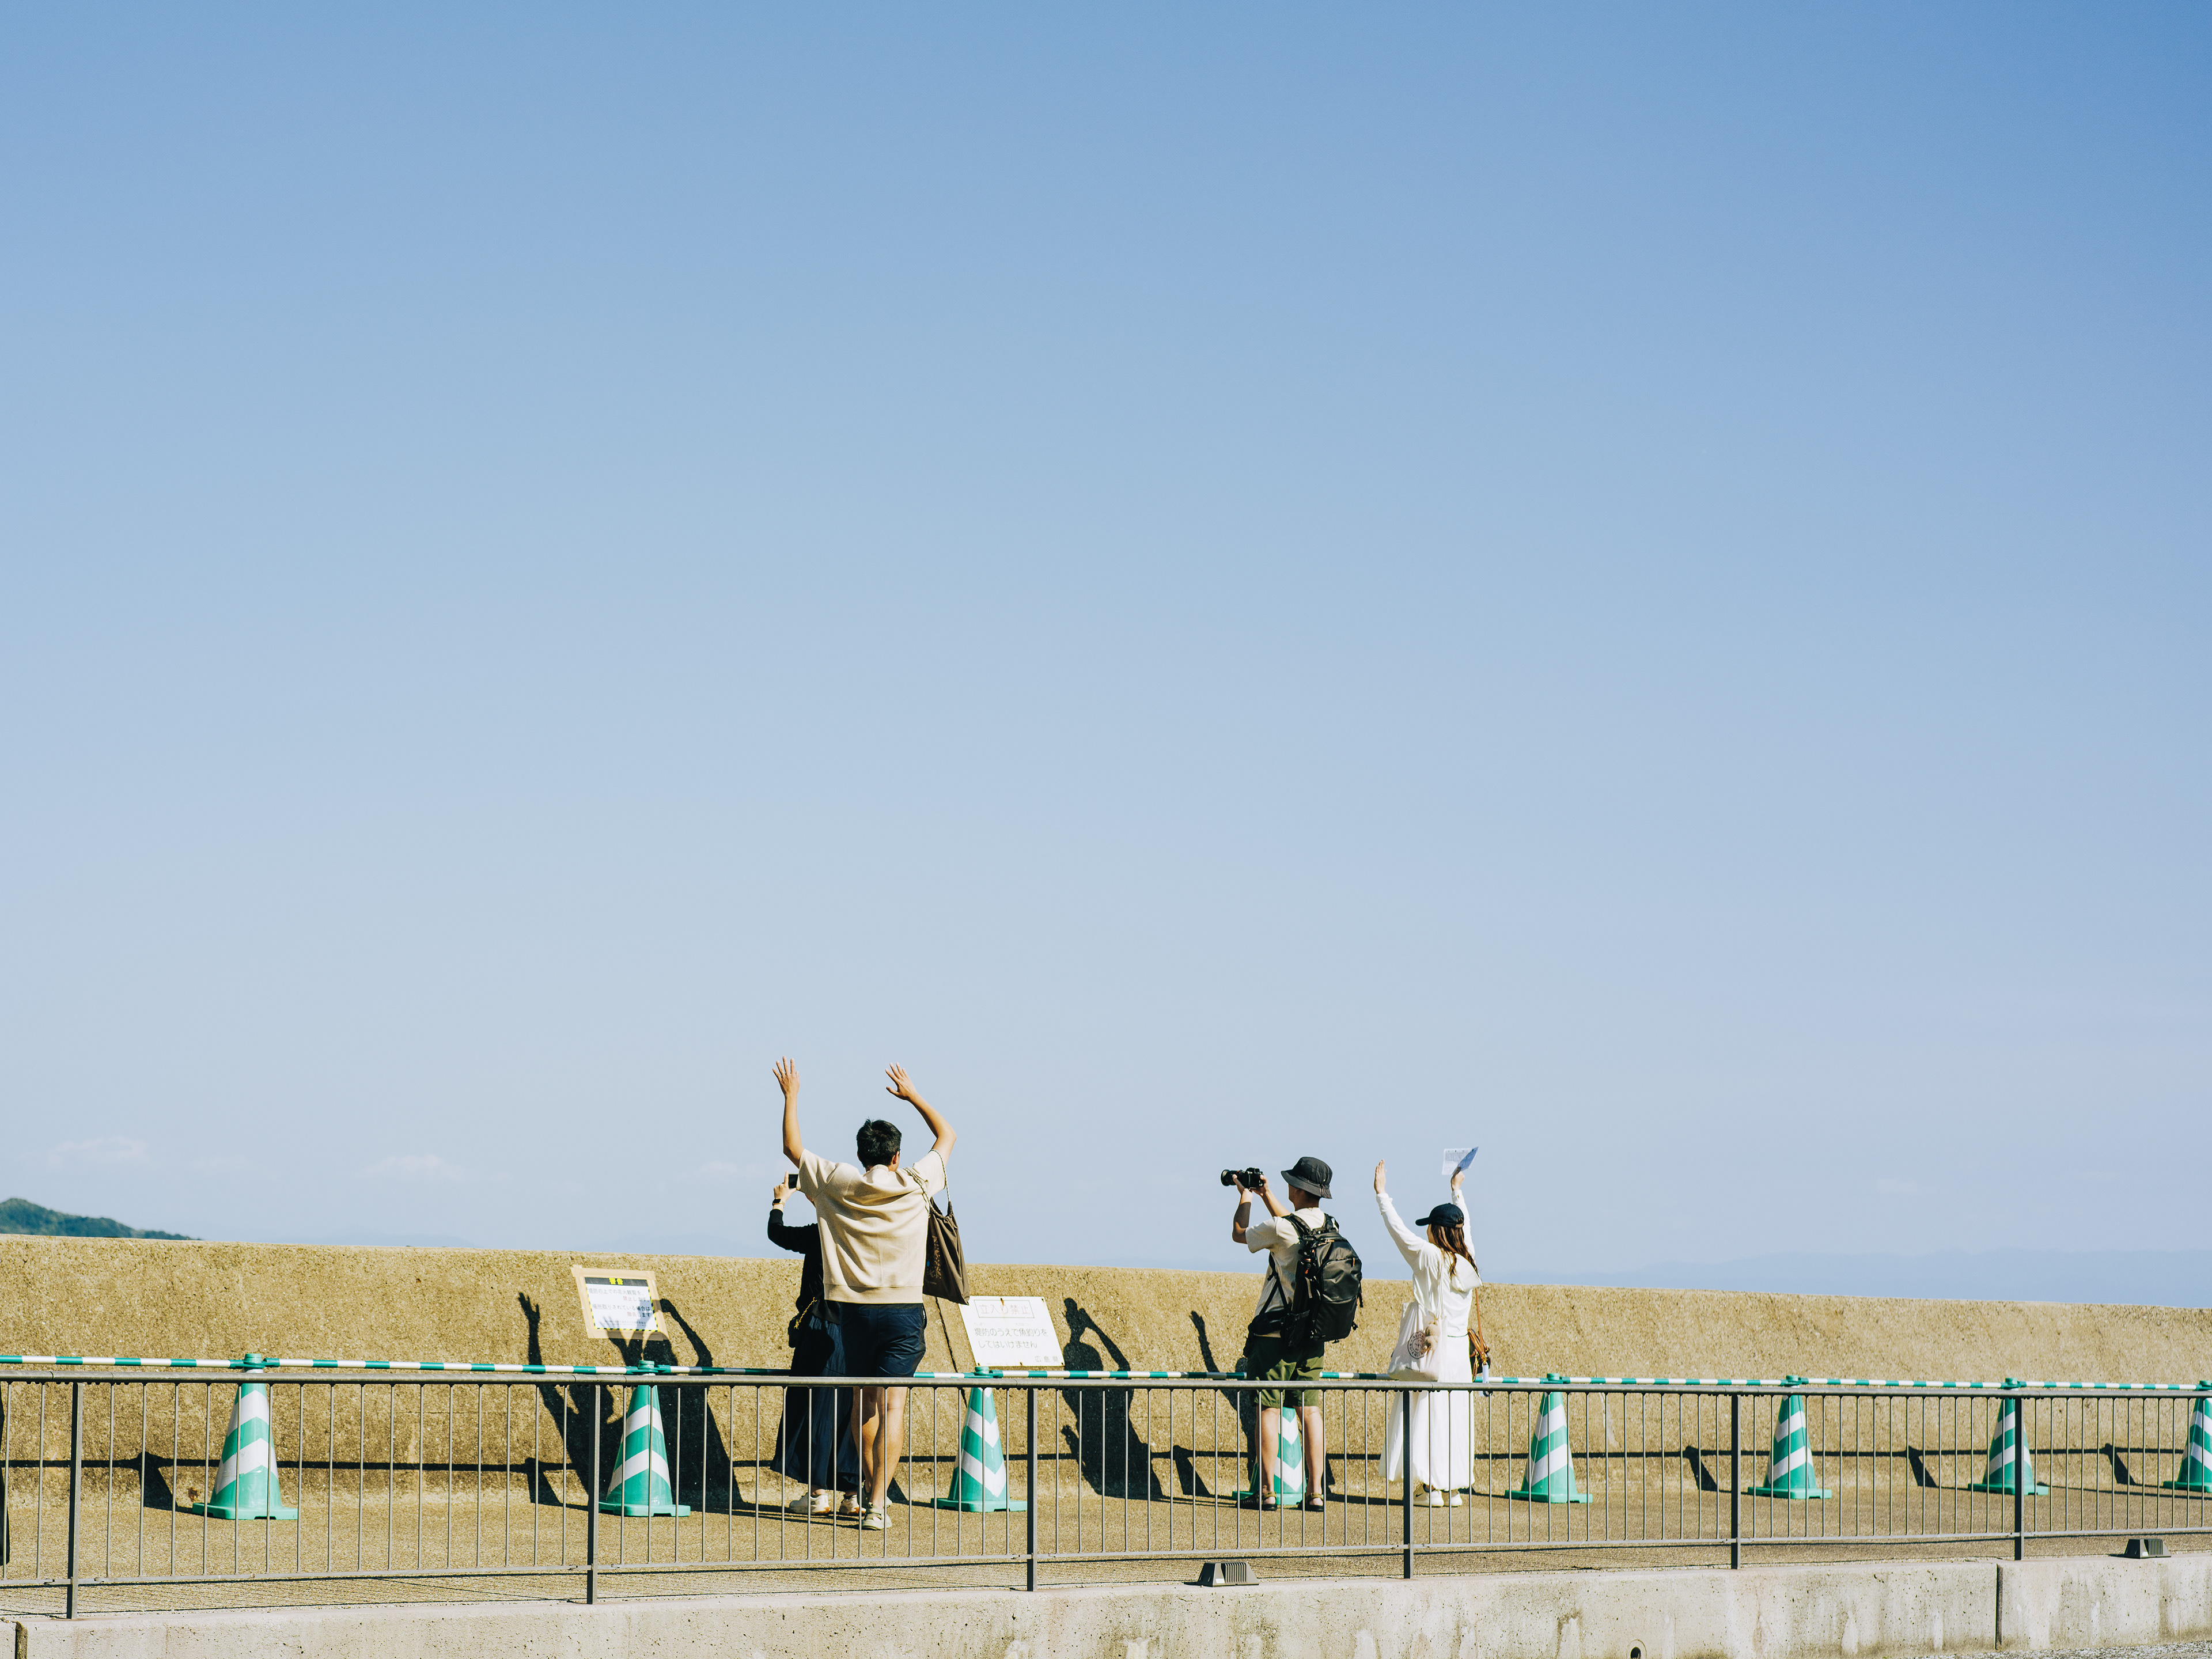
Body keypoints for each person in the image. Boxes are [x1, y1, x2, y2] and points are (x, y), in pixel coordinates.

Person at [775, 1056, 954, 1532]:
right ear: (896, 1157)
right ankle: (876, 1504)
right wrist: (912, 1095)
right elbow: (948, 1136)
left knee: (863, 1403)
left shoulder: (840, 1182)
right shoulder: (916, 1182)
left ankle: (867, 1492)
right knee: (892, 1405)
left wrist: (792, 1094)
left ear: (862, 1156)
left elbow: (792, 1148)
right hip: (903, 1310)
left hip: (852, 1312)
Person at [1231, 1154, 1338, 1510]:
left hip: (1275, 1336)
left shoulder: (1280, 1229)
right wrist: (1267, 1194)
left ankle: (1267, 1492)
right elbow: (1296, 1226)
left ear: (1299, 1189)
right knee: (1310, 1411)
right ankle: (1316, 1492)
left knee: (1269, 1409)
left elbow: (1240, 1234)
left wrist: (1246, 1197)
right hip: (1313, 1336)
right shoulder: (1330, 1226)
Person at [1373, 1158, 1478, 1504]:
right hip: (1460, 1354)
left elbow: (1400, 1233)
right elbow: (1467, 1228)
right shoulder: (1467, 1261)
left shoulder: (1431, 1257)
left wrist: (1382, 1195)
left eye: (1430, 1227)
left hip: (1435, 1349)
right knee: (1456, 1417)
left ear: (1437, 1231)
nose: (1426, 1232)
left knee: (1430, 1415)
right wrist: (1457, 1192)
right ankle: (1453, 1487)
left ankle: (1431, 1488)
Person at [767, 1177, 861, 1516]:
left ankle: (818, 1495)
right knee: (852, 1413)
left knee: (813, 1409)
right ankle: (853, 1496)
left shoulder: (822, 1233)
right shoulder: (864, 1234)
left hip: (821, 1329)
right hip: (858, 1332)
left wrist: (780, 1202)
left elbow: (777, 1233)